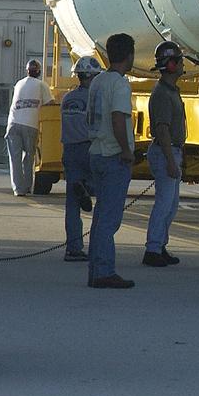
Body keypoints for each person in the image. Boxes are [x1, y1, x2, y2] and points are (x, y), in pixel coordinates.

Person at [85, 33, 137, 289]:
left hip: (95, 150)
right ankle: (105, 271)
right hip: (112, 154)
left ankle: (95, 269)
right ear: (129, 56)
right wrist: (126, 150)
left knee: (99, 217)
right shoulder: (119, 84)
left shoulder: (97, 82)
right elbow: (119, 118)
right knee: (109, 219)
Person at [142, 41, 187, 267]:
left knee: (171, 205)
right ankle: (152, 249)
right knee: (164, 203)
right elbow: (162, 129)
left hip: (171, 152)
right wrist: (171, 160)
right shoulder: (161, 94)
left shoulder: (171, 91)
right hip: (164, 152)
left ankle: (160, 245)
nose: (182, 64)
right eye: (179, 60)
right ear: (170, 65)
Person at [59, 56, 101, 262]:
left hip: (69, 149)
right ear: (93, 77)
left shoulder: (67, 98)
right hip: (89, 147)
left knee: (72, 206)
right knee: (101, 193)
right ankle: (99, 245)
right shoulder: (94, 99)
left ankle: (73, 248)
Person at [6, 59, 54, 196]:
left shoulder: (19, 83)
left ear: (27, 71)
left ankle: (18, 189)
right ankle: (27, 186)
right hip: (30, 125)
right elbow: (50, 104)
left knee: (14, 158)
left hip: (13, 124)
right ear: (38, 71)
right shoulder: (41, 85)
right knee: (29, 157)